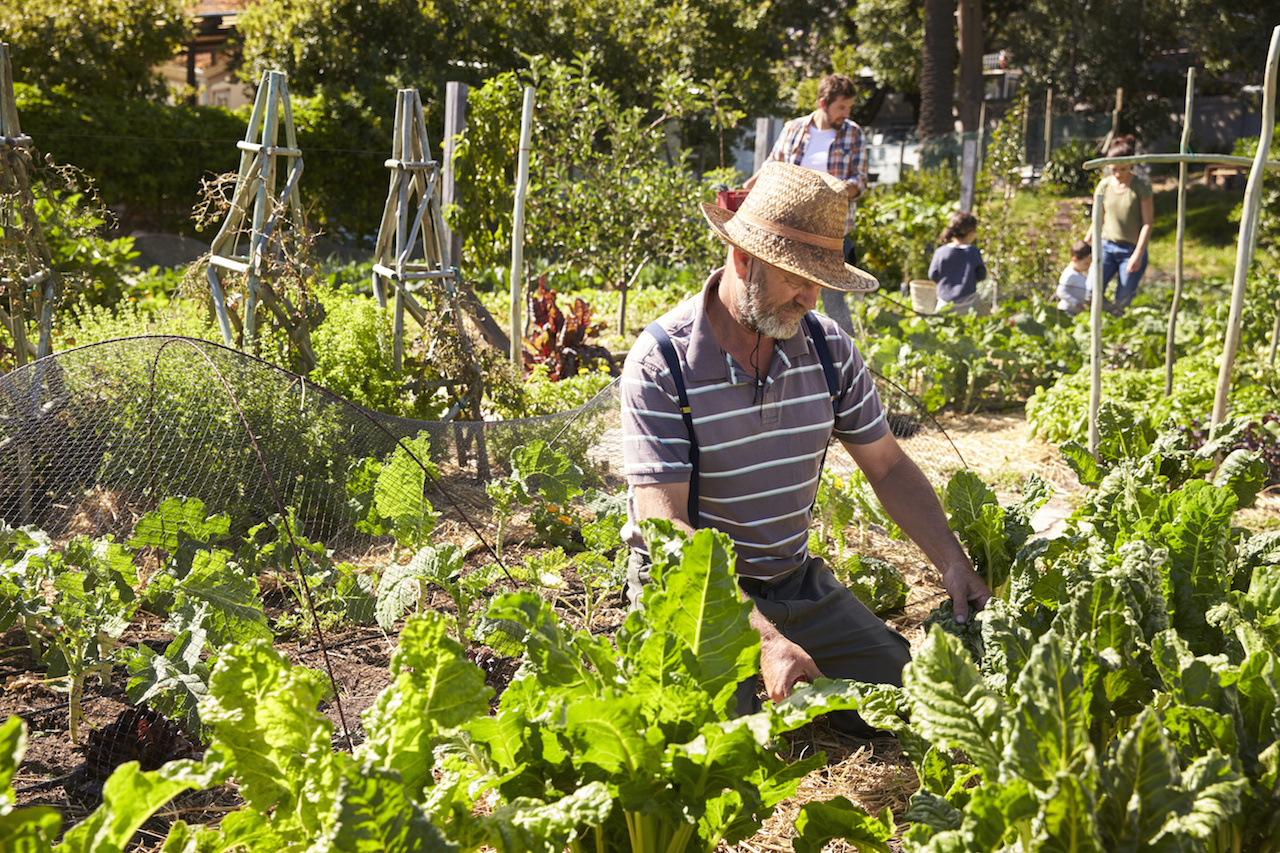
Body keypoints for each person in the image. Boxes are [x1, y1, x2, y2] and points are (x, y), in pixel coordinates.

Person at [620, 162, 992, 732]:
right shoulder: (661, 363)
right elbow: (667, 530)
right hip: (696, 604)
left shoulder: (826, 348)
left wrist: (951, 560)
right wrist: (767, 641)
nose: (811, 298)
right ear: (743, 259)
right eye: (796, 277)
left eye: (821, 280)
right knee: (729, 741)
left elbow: (888, 467)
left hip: (793, 583)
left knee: (904, 703)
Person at [743, 73, 868, 333]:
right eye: (841, 107)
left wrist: (841, 189)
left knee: (832, 298)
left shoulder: (853, 133)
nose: (846, 113)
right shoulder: (794, 129)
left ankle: (843, 349)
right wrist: (750, 184)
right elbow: (773, 165)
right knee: (788, 293)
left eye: (849, 107)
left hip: (831, 231)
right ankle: (793, 344)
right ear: (823, 103)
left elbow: (861, 179)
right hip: (790, 228)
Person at [1085, 134, 1153, 315]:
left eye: (1122, 169)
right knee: (1091, 292)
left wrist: (1138, 254)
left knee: (1123, 300)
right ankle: (1102, 323)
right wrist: (1086, 246)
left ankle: (1116, 329)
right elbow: (1097, 219)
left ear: (1131, 164)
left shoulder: (1140, 186)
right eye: (1113, 169)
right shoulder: (1104, 186)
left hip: (1130, 250)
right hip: (1106, 247)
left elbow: (1147, 223)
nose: (1117, 173)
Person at [927, 211, 987, 315]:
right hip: (967, 303)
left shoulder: (941, 251)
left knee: (940, 327)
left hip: (944, 301)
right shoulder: (973, 252)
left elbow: (933, 275)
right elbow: (981, 275)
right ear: (971, 232)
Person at [1056, 241, 1093, 314]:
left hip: (1074, 312)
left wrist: (1086, 301)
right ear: (1075, 260)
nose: (1088, 266)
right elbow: (1061, 291)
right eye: (1086, 263)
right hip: (1066, 311)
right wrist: (1076, 304)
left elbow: (1076, 294)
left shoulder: (1079, 273)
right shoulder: (1069, 274)